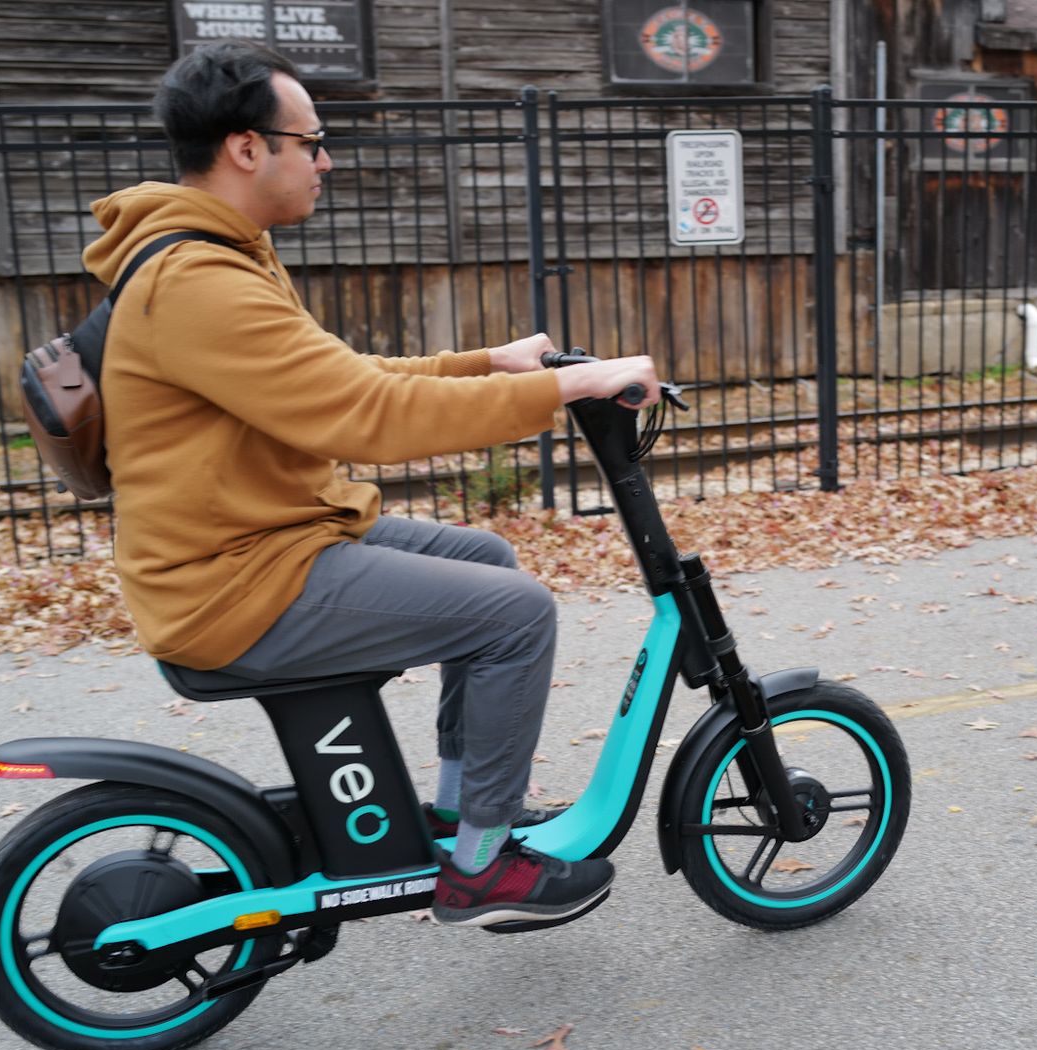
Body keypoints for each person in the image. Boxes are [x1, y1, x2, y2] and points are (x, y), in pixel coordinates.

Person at [86, 40, 655, 927]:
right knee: (517, 615)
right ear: (247, 148)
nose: (325, 160)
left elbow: (337, 377)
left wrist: (484, 364)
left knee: (489, 560)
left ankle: (462, 816)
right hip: (234, 581)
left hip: (267, 539)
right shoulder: (197, 280)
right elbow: (368, 416)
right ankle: (481, 868)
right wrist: (567, 387)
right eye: (310, 142)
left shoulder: (221, 253)